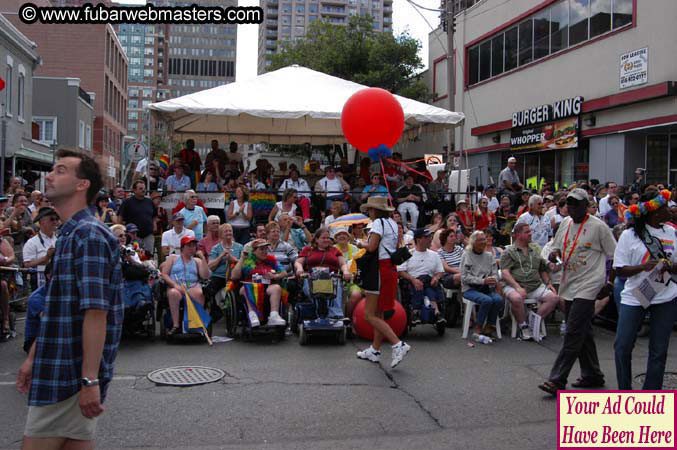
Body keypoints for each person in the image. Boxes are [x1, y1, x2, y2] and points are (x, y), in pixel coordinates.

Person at [16, 149, 123, 449]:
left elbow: (96, 313)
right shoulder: (70, 234)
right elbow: (56, 308)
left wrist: (89, 380)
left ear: (82, 185)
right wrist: (32, 358)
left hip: (68, 376)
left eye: (61, 170)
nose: (50, 175)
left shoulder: (88, 235)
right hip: (60, 370)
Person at [538, 188, 616, 396]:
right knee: (583, 330)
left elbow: (615, 256)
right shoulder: (565, 223)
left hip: (589, 284)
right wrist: (555, 254)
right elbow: (557, 249)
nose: (571, 207)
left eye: (576, 203)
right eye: (568, 203)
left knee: (573, 330)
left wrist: (610, 283)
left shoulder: (599, 227)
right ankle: (592, 374)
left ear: (586, 205)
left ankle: (557, 380)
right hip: (569, 283)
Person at [613, 189, 677, 390]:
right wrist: (644, 266)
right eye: (665, 207)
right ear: (654, 212)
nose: (670, 209)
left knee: (659, 350)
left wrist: (668, 266)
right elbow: (620, 270)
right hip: (635, 296)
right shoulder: (629, 235)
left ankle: (651, 394)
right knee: (622, 347)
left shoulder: (672, 232)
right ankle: (625, 391)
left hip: (666, 296)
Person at [355, 196, 411, 368]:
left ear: (374, 210)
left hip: (378, 269)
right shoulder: (393, 223)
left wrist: (359, 243)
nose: (368, 212)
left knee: (369, 315)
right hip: (390, 269)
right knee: (379, 313)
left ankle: (397, 344)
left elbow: (371, 247)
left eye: (370, 209)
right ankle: (375, 350)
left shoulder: (378, 223)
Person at [500, 223, 560, 341]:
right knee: (517, 298)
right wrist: (517, 287)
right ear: (518, 235)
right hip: (515, 285)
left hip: (535, 285)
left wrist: (548, 284)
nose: (530, 234)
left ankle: (534, 322)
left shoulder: (534, 250)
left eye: (530, 231)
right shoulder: (509, 252)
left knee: (554, 298)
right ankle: (523, 326)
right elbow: (505, 273)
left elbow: (542, 270)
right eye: (527, 232)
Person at [295, 227, 351, 319]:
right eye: (323, 238)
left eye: (328, 238)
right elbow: (298, 262)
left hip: (331, 278)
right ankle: (317, 312)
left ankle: (335, 313)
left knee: (335, 283)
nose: (326, 240)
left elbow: (343, 263)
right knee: (313, 289)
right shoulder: (308, 250)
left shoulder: (334, 250)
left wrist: (345, 271)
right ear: (316, 239)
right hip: (312, 278)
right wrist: (299, 269)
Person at [231, 239, 288, 327]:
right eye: (261, 249)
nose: (265, 251)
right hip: (250, 287)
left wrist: (275, 276)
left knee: (276, 287)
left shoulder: (271, 261)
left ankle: (274, 315)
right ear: (253, 251)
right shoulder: (246, 262)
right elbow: (234, 276)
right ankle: (252, 314)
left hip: (267, 287)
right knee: (246, 288)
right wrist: (242, 259)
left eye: (266, 249)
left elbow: (284, 273)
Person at [160, 236, 210, 335]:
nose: (192, 248)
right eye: (189, 246)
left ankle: (195, 324)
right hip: (176, 285)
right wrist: (174, 285)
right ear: (182, 247)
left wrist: (203, 258)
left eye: (194, 246)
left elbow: (205, 276)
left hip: (192, 285)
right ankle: (175, 325)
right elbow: (164, 274)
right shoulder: (173, 258)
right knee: (174, 293)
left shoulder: (197, 261)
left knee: (199, 293)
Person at [397, 228, 447, 325]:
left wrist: (436, 278)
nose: (430, 239)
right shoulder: (408, 253)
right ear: (419, 239)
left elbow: (440, 271)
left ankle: (423, 312)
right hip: (412, 281)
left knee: (428, 283)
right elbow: (400, 271)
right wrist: (413, 280)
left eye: (430, 236)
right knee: (423, 282)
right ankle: (435, 311)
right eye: (427, 237)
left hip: (429, 281)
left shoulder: (434, 255)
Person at [460, 231, 503, 339]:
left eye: (484, 239)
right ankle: (478, 326)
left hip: (486, 288)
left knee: (498, 300)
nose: (484, 242)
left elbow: (495, 273)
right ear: (473, 242)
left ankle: (489, 325)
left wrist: (493, 279)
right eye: (480, 240)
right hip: (470, 288)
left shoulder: (489, 256)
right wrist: (482, 281)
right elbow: (464, 277)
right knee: (486, 300)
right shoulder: (467, 255)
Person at [118, 180, 157, 256]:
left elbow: (154, 215)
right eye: (140, 188)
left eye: (144, 188)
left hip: (148, 235)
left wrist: (154, 225)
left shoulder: (149, 201)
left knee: (149, 256)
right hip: (133, 236)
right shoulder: (127, 202)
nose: (143, 190)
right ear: (134, 190)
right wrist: (120, 230)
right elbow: (120, 216)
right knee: (134, 256)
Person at [22, 207, 58, 289]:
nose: (55, 222)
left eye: (56, 219)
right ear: (41, 222)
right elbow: (27, 265)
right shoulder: (32, 242)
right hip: (40, 281)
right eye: (51, 219)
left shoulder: (59, 239)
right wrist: (46, 257)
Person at [205, 223, 243, 298]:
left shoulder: (239, 247)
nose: (229, 233)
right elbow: (210, 266)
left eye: (230, 231)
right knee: (208, 290)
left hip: (234, 277)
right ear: (221, 235)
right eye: (226, 231)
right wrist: (221, 256)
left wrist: (233, 260)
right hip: (219, 276)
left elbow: (244, 263)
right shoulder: (216, 248)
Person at [0, 234, 16, 340]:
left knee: (2, 285)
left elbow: (11, 256)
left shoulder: (1, 241)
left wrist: (4, 260)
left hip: (1, 273)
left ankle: (5, 318)